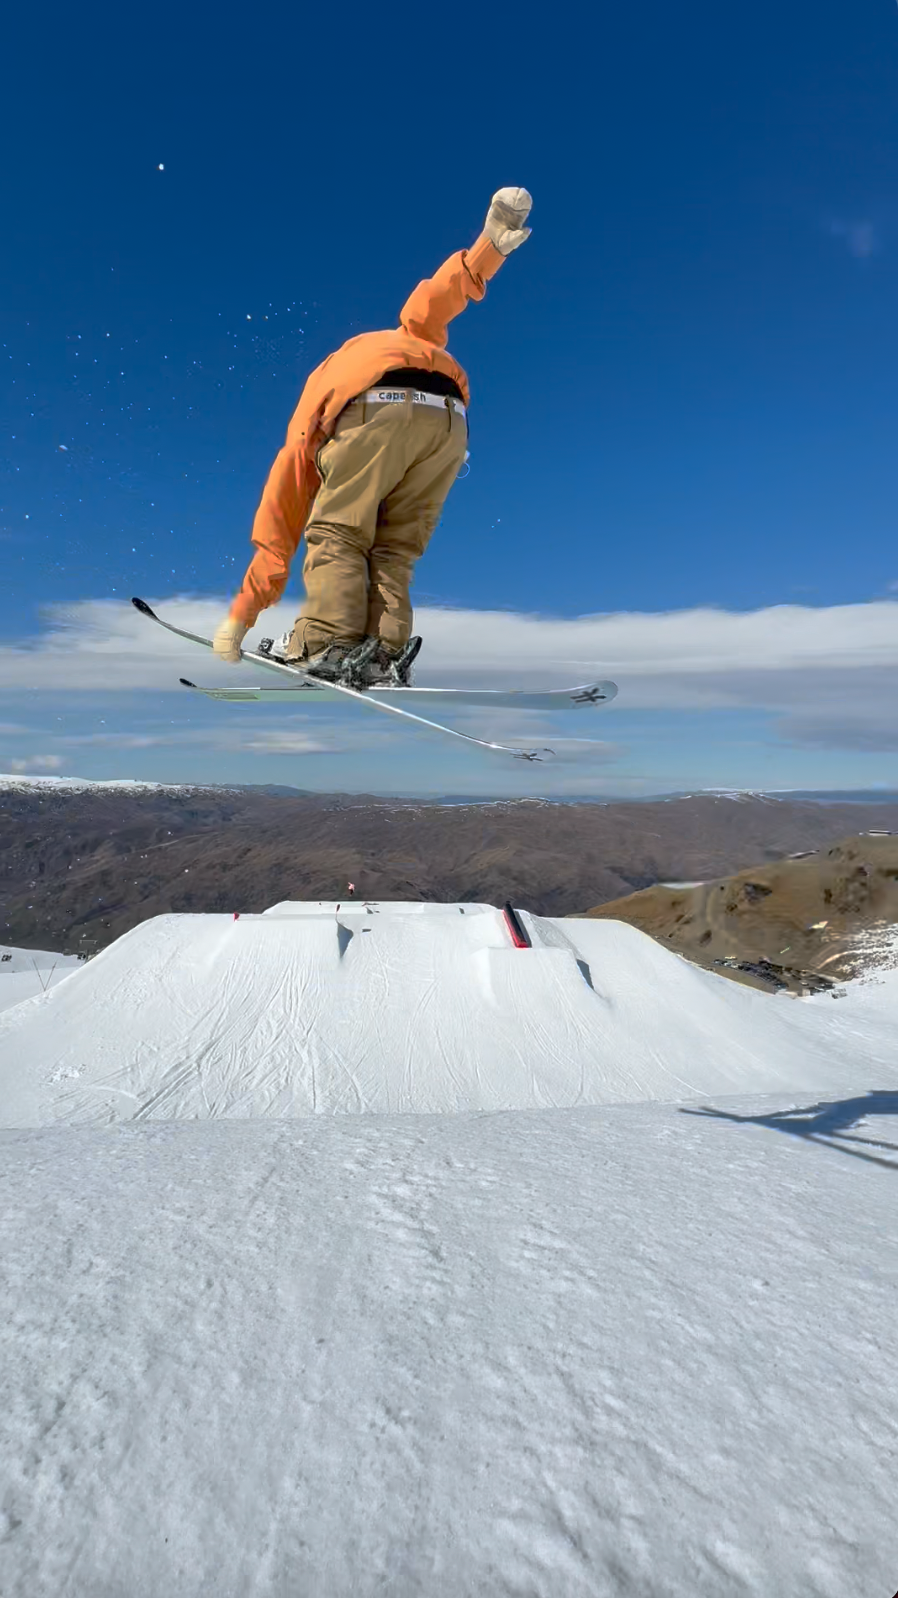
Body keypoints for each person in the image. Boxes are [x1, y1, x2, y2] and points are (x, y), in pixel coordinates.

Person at [212, 188, 532, 687]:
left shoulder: (311, 417)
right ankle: (383, 653)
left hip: (377, 407)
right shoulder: (410, 335)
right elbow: (435, 302)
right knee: (394, 548)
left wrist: (241, 614)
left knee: (338, 532)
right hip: (450, 420)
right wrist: (488, 247)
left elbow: (279, 528)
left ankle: (326, 643)